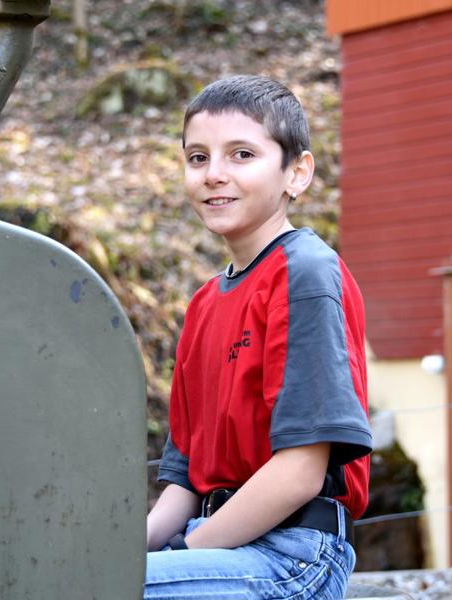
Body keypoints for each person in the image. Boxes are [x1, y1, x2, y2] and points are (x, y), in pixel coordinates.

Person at [144, 75, 373, 599]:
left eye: (241, 154)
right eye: (197, 158)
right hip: (215, 542)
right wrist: (120, 554)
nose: (213, 174)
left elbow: (299, 473)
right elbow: (184, 482)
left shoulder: (306, 274)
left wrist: (184, 553)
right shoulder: (203, 305)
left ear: (297, 173)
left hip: (293, 554)